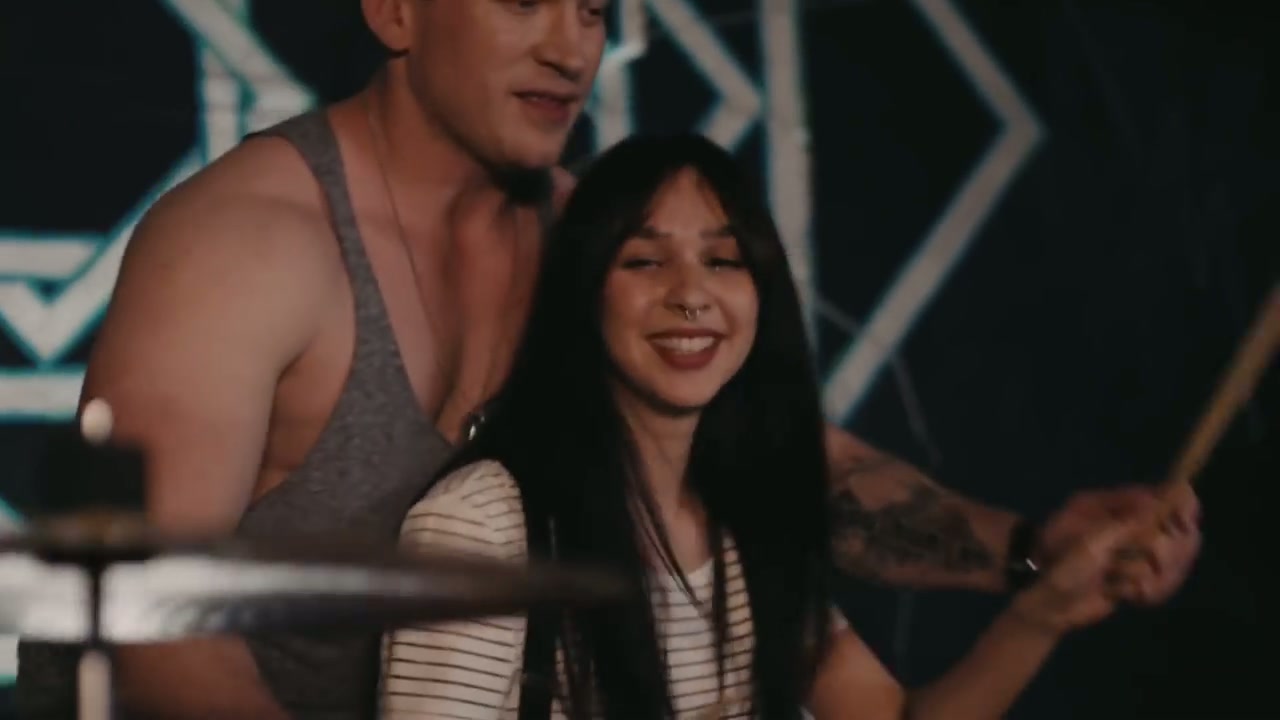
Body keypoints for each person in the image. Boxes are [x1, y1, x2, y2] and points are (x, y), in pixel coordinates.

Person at [16, 1, 1199, 719]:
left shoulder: (594, 245)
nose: (569, 45)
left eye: (591, 9)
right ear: (394, 11)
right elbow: (147, 622)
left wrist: (1028, 552)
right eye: (525, 1)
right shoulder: (245, 244)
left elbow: (780, 464)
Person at [378, 132, 1163, 720]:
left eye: (724, 261)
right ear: (583, 293)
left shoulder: (745, 515)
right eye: (645, 261)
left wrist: (1043, 612)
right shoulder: (482, 525)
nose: (692, 295)